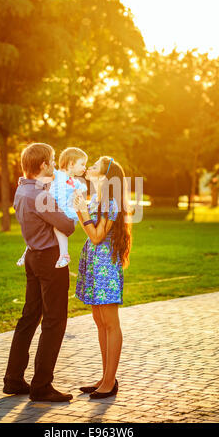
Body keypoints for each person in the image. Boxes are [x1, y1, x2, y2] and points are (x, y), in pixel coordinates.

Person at [3, 143, 75, 402]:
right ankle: (42, 385)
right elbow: (67, 226)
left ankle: (13, 379)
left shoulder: (22, 191)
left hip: (33, 257)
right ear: (43, 165)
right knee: (54, 321)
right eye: (53, 161)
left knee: (29, 317)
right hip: (49, 260)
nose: (55, 165)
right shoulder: (40, 197)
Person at [73, 156, 132, 399]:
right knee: (99, 320)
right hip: (95, 263)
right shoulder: (99, 198)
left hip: (105, 266)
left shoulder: (111, 202)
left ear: (105, 176)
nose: (89, 168)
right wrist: (81, 211)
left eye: (95, 166)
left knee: (110, 322)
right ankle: (105, 377)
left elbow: (96, 236)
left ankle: (110, 382)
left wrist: (83, 212)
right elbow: (90, 231)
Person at [16, 147, 88, 268]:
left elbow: (81, 188)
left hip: (62, 208)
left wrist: (80, 191)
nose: (84, 167)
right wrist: (22, 180)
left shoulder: (74, 181)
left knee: (52, 228)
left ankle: (29, 250)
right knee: (59, 229)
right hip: (59, 207)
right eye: (82, 164)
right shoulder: (58, 174)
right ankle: (64, 254)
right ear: (71, 164)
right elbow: (34, 173)